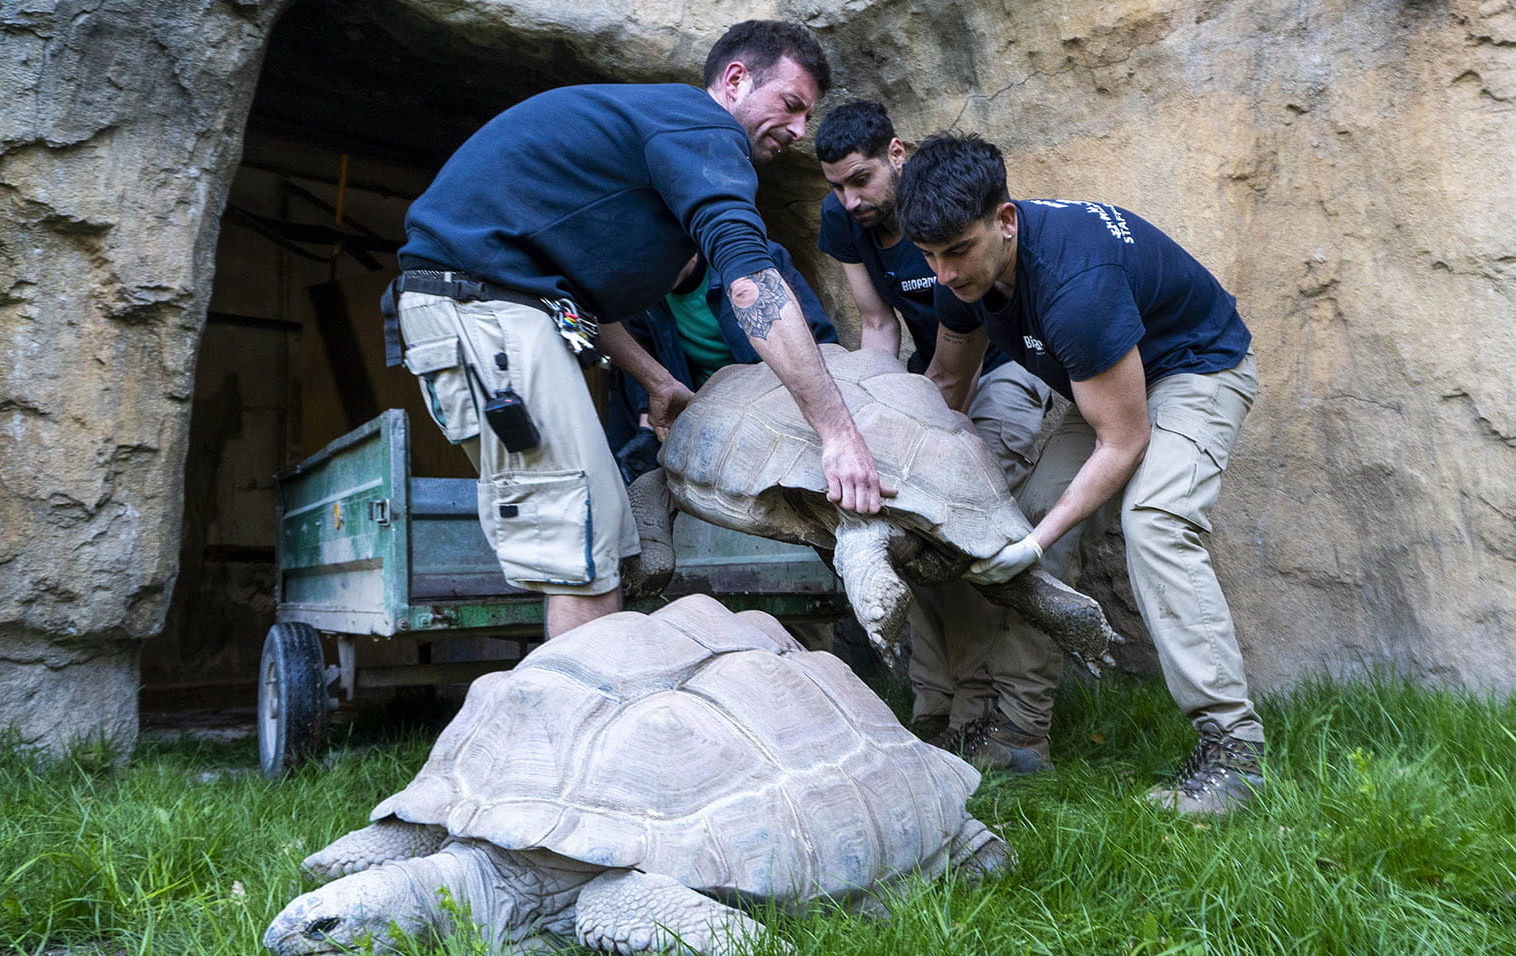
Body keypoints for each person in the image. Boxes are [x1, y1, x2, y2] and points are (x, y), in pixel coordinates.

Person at [385, 20, 889, 641]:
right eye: (790, 105)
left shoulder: (655, 137)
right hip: (483, 307)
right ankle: (584, 731)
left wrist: (657, 380)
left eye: (806, 116)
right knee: (584, 548)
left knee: (607, 532)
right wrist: (837, 434)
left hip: (509, 307)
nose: (797, 130)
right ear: (734, 81)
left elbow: (576, 300)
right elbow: (749, 280)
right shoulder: (701, 127)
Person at [897, 134, 1266, 815]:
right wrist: (906, 482)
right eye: (928, 256)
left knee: (1154, 522)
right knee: (1036, 518)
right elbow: (947, 380)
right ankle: (1017, 733)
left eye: (956, 251)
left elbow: (1123, 442)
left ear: (1005, 221)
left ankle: (1233, 753)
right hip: (1099, 380)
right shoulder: (962, 273)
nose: (943, 273)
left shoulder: (1076, 286)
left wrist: (1033, 549)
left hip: (1193, 370)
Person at [814, 102, 1057, 765]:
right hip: (935, 371)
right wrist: (881, 424)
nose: (851, 199)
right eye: (837, 186)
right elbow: (878, 326)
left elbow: (982, 318)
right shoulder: (843, 219)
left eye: (861, 180)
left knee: (955, 522)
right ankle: (936, 707)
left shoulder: (946, 202)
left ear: (897, 155)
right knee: (906, 519)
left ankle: (982, 710)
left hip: (1006, 362)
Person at [605, 243, 838, 483]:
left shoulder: (753, 261)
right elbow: (644, 359)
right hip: (698, 418)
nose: (646, 277)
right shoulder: (641, 292)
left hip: (778, 410)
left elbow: (819, 345)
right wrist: (647, 430)